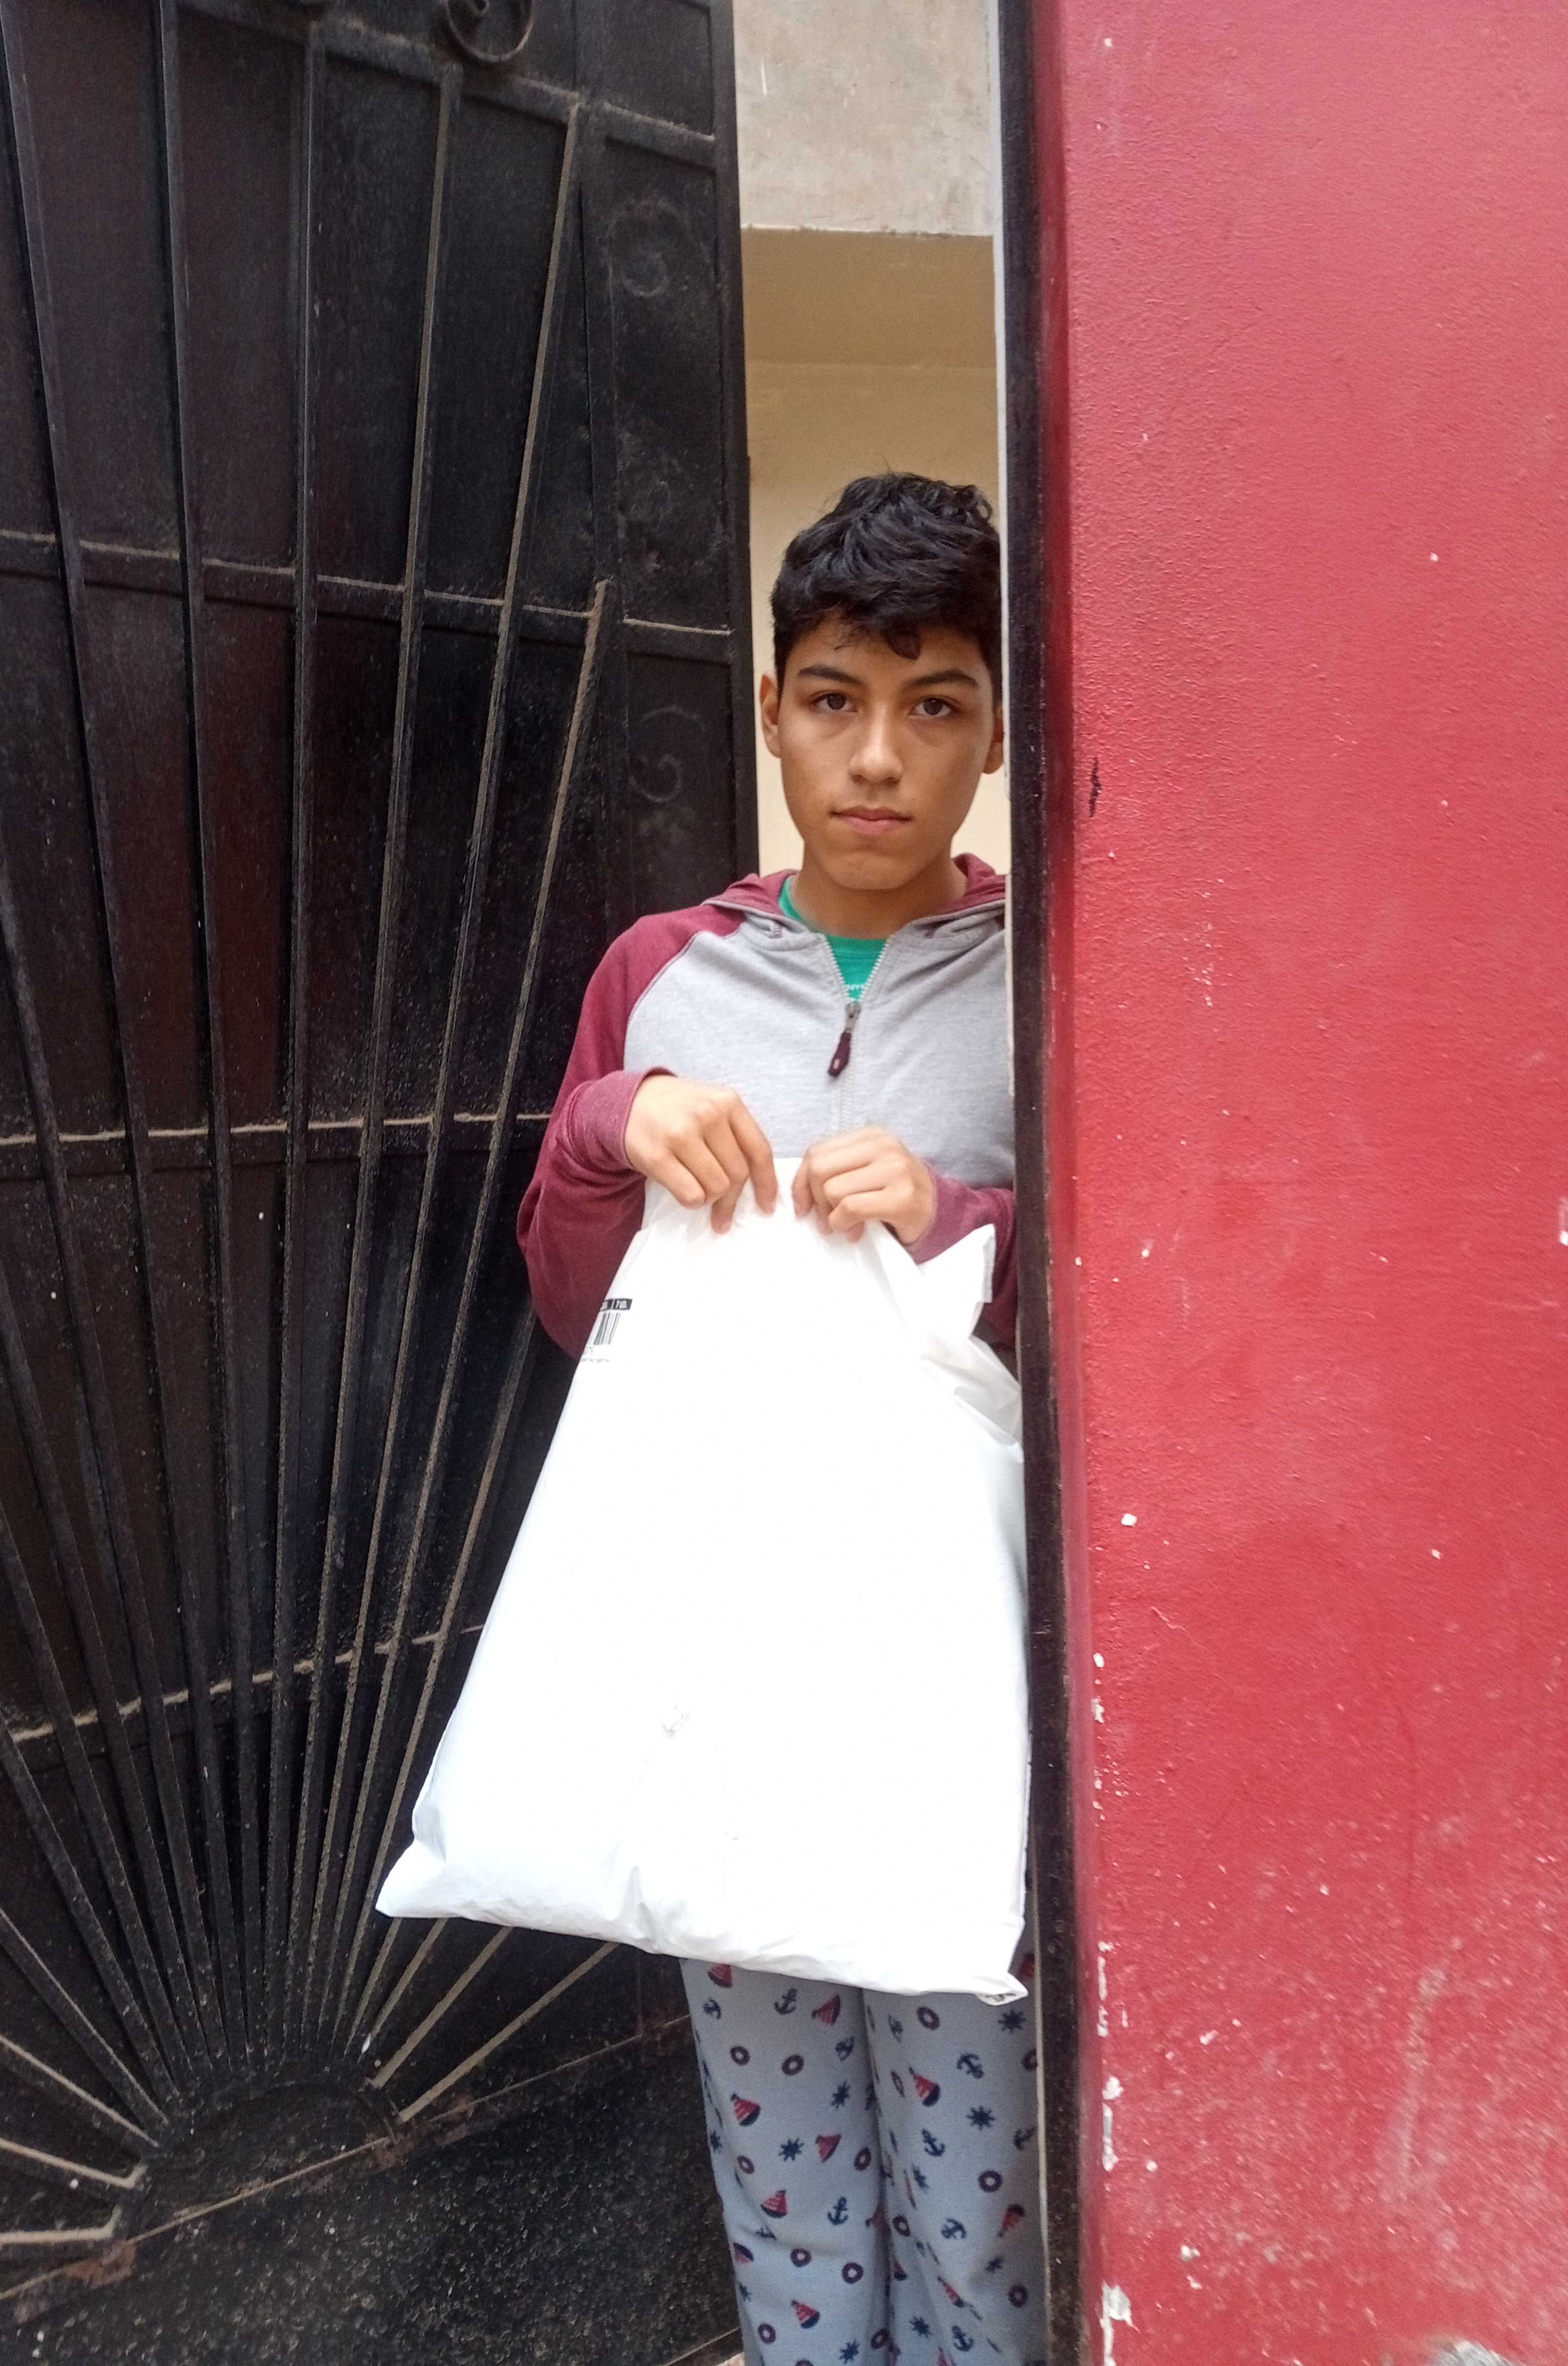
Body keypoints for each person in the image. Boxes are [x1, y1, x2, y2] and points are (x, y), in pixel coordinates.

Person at [517, 473, 1044, 2366]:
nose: (879, 757)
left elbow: (1129, 1315)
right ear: (770, 711)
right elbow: (570, 1304)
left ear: (998, 730)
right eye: (834, 700)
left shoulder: (1051, 979)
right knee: (781, 2155)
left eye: (936, 705)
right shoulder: (662, 974)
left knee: (978, 2168)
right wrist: (611, 1124)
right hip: (722, 1657)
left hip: (947, 1670)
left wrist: (967, 1220)